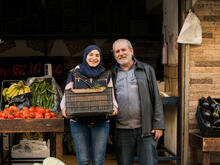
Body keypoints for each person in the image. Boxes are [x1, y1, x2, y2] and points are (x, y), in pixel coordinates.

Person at [60, 45, 118, 165]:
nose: (94, 58)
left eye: (97, 55)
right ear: (85, 56)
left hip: (101, 122)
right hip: (78, 122)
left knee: (98, 160)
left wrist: (115, 107)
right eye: (90, 54)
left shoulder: (106, 75)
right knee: (84, 160)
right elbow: (66, 95)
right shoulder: (74, 74)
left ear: (100, 58)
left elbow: (111, 96)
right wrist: (64, 108)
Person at [111, 39, 165, 165]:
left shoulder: (146, 70)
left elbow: (155, 98)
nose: (121, 53)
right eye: (117, 51)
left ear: (131, 51)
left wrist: (158, 125)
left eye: (123, 50)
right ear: (114, 55)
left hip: (146, 129)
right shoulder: (112, 73)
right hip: (121, 130)